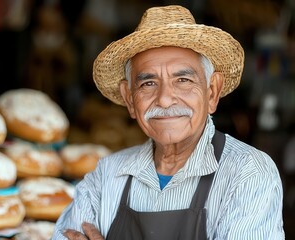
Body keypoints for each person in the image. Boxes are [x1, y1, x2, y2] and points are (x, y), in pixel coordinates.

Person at [52, 5, 285, 240]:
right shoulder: (107, 176)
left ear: (212, 92)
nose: (164, 99)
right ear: (129, 99)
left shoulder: (247, 173)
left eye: (183, 80)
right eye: (148, 83)